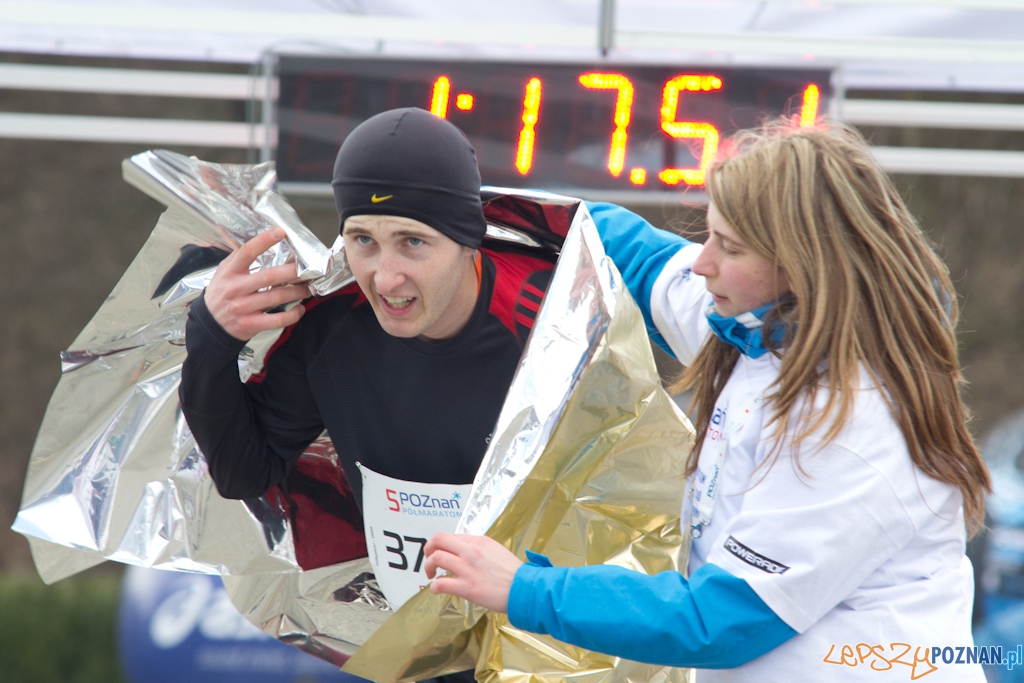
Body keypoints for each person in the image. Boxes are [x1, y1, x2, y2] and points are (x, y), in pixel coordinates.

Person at [422, 122, 992, 682]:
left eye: (730, 247)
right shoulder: (758, 326)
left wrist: (525, 589)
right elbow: (634, 253)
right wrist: (447, 204)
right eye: (710, 235)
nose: (702, 262)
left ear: (805, 264)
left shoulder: (852, 423)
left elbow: (719, 620)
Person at [179, 107, 554, 683]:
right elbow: (243, 472)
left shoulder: (551, 324)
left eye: (413, 242)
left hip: (554, 647)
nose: (385, 277)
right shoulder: (330, 330)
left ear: (467, 237)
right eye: (363, 240)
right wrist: (209, 338)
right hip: (426, 651)